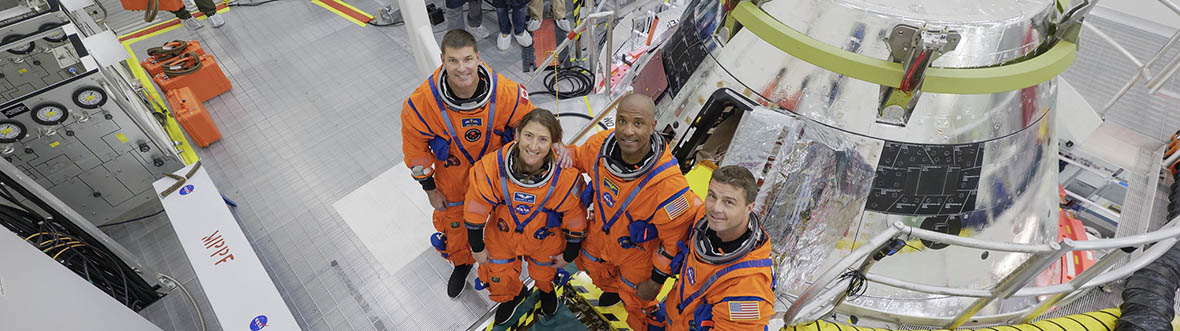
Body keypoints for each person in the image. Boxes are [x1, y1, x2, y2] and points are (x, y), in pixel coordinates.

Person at [400, 29, 535, 298]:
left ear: (478, 58)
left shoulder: (506, 93)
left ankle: (502, 274)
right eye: (453, 60)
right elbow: (416, 152)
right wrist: (429, 189)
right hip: (453, 181)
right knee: (455, 225)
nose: (461, 68)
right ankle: (461, 262)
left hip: (496, 178)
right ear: (443, 60)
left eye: (467, 59)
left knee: (501, 227)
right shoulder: (421, 103)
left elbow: (532, 127)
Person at [564, 93, 701, 330]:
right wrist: (551, 151)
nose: (628, 131)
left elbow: (673, 243)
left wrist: (656, 281)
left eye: (638, 123)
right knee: (595, 269)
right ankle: (612, 290)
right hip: (600, 236)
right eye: (622, 121)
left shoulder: (670, 186)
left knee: (637, 298)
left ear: (652, 126)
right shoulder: (600, 147)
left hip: (637, 255)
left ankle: (643, 321)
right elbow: (575, 157)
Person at [464, 110, 586, 325]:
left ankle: (546, 289)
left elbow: (575, 219)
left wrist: (569, 254)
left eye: (543, 139)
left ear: (553, 144)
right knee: (498, 276)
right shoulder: (491, 167)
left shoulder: (566, 177)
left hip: (544, 238)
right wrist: (477, 247)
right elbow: (475, 209)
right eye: (529, 135)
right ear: (518, 134)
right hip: (502, 235)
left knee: (544, 272)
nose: (533, 146)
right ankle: (512, 296)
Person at [660, 165, 775, 330]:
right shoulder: (703, 219)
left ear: (749, 208)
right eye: (712, 196)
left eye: (729, 202)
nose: (715, 208)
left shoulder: (749, 287)